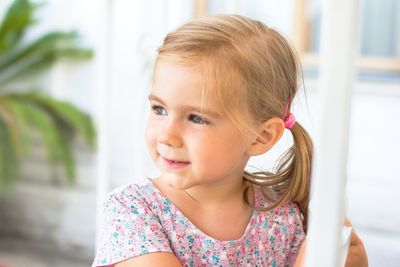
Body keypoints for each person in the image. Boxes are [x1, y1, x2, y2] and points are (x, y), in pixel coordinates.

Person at [93, 14, 367, 267]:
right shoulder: (131, 210)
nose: (166, 134)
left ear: (261, 136)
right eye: (159, 109)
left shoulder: (282, 219)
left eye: (196, 118)